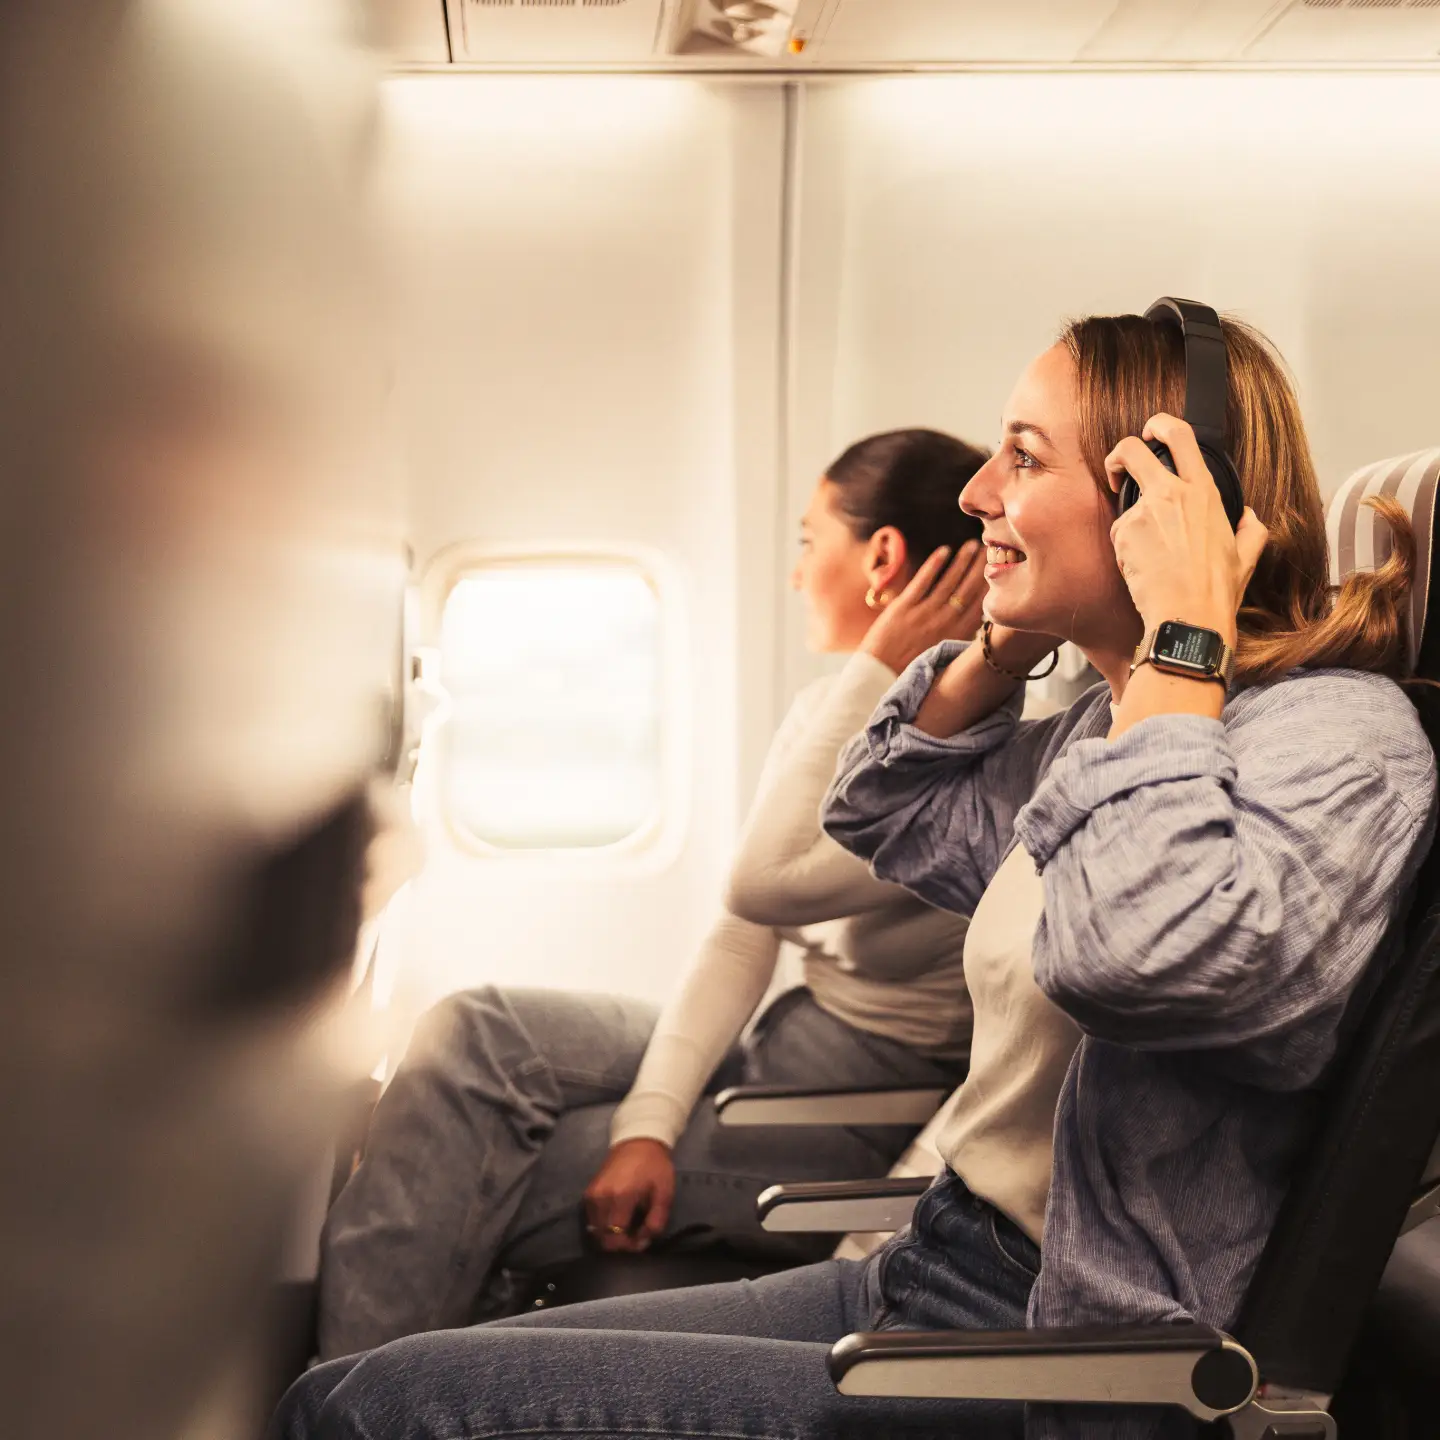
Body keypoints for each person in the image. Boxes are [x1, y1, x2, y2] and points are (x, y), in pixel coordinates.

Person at [272, 310, 1435, 1440]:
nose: (978, 493)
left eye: (1023, 458)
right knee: (366, 1385)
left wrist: (1181, 635)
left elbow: (1135, 957)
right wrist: (1000, 644)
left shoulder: (1336, 742)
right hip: (936, 1264)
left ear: (1159, 505)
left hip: (1050, 1350)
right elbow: (884, 809)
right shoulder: (1110, 720)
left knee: (356, 1413)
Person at [317, 428, 991, 1359]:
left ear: (880, 558)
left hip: (843, 1107)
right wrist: (647, 1125)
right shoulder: (827, 708)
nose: (796, 573)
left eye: (809, 541)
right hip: (779, 1049)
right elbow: (741, 932)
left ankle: (345, 1396)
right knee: (476, 1027)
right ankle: (357, 1387)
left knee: (466, 1171)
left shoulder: (983, 748)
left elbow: (765, 883)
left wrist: (879, 665)